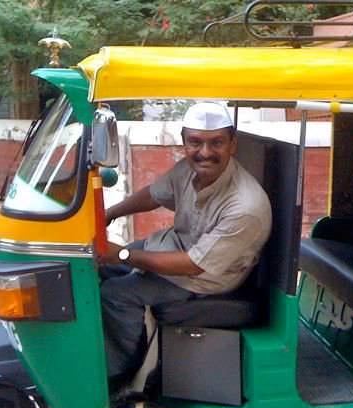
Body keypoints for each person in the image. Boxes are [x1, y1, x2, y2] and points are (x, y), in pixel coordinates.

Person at [98, 102, 272, 384]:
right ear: (184, 142)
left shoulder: (245, 206)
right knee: (97, 270)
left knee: (115, 294)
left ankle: (120, 375)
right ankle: (109, 348)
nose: (205, 152)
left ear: (232, 144)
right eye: (196, 142)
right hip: (174, 248)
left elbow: (193, 266)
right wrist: (109, 214)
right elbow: (154, 195)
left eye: (216, 143)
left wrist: (124, 255)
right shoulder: (188, 170)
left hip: (205, 278)